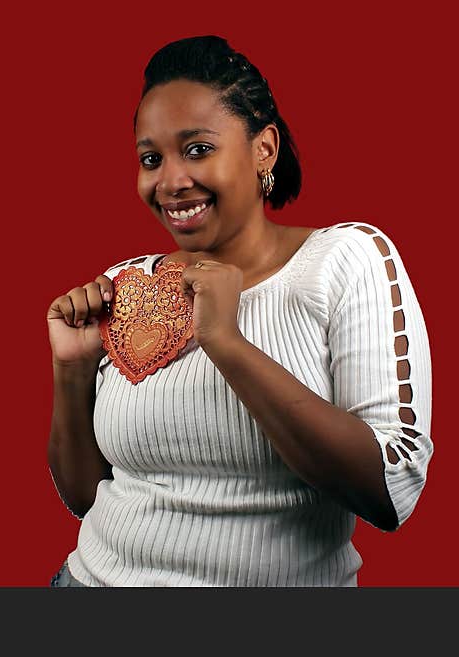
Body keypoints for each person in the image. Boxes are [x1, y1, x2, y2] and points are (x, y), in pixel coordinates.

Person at [45, 35, 433, 587]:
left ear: (264, 150)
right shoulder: (125, 285)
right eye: (151, 158)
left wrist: (227, 342)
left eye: (198, 148)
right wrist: (72, 368)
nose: (172, 182)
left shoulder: (345, 261)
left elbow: (391, 490)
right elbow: (86, 497)